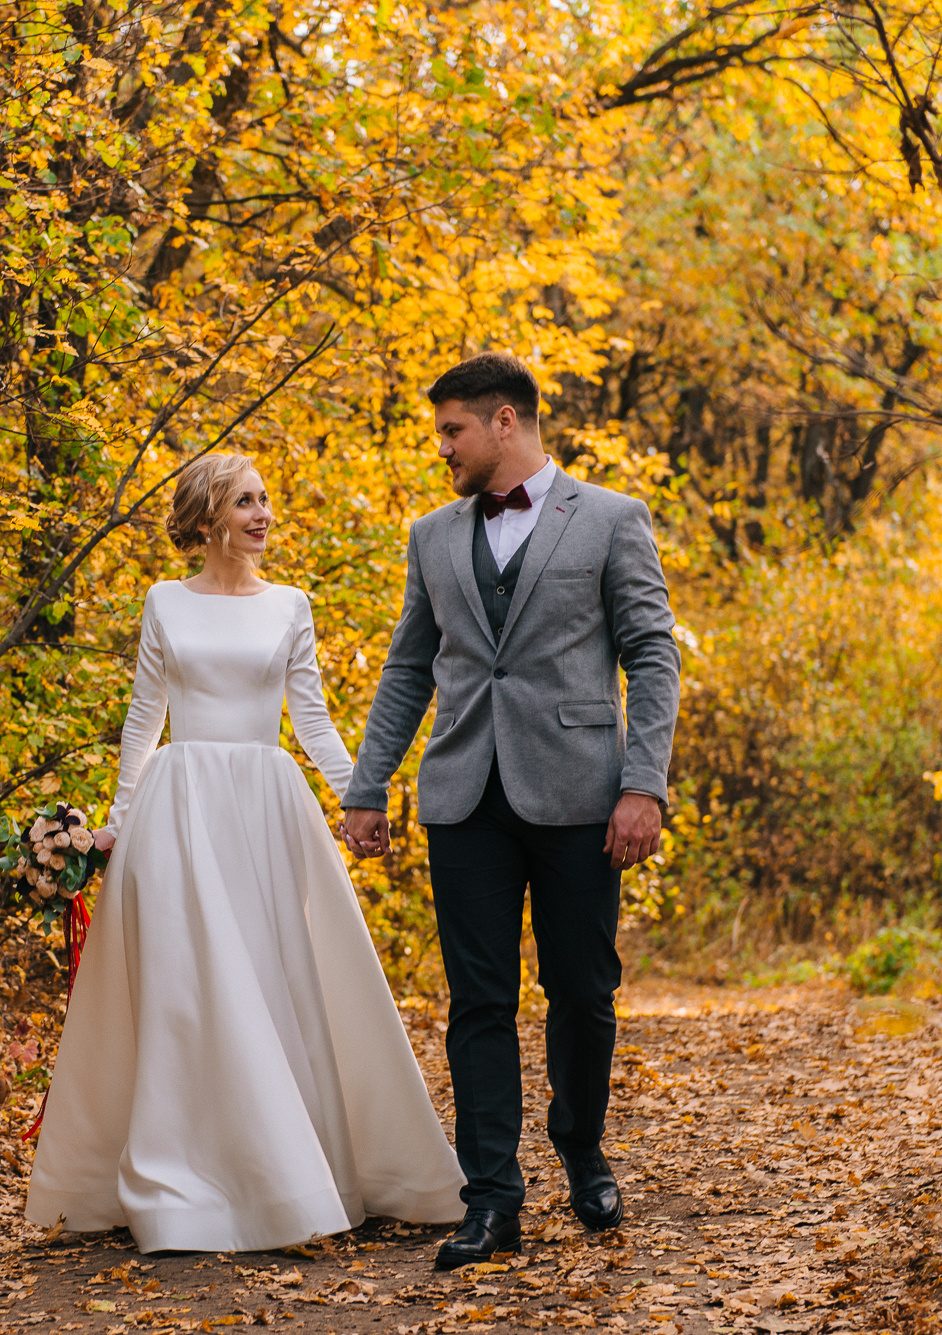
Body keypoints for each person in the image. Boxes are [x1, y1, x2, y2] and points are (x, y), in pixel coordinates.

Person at [24, 452, 466, 1254]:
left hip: (264, 809)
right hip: (179, 809)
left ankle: (285, 1173)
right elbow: (141, 723)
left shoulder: (291, 605)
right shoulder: (164, 602)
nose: (263, 513)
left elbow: (315, 720)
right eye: (245, 501)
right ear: (206, 518)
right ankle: (179, 1186)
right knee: (186, 993)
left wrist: (358, 794)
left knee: (266, 982)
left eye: (265, 499)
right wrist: (116, 824)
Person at [341, 352, 681, 1268]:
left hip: (581, 794)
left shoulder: (611, 519)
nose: (442, 448)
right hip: (463, 799)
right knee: (476, 1003)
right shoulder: (434, 535)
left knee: (582, 989)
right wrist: (367, 785)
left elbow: (652, 655)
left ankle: (581, 1146)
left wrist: (643, 783)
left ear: (505, 422)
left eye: (453, 430)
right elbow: (411, 666)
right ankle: (491, 1197)